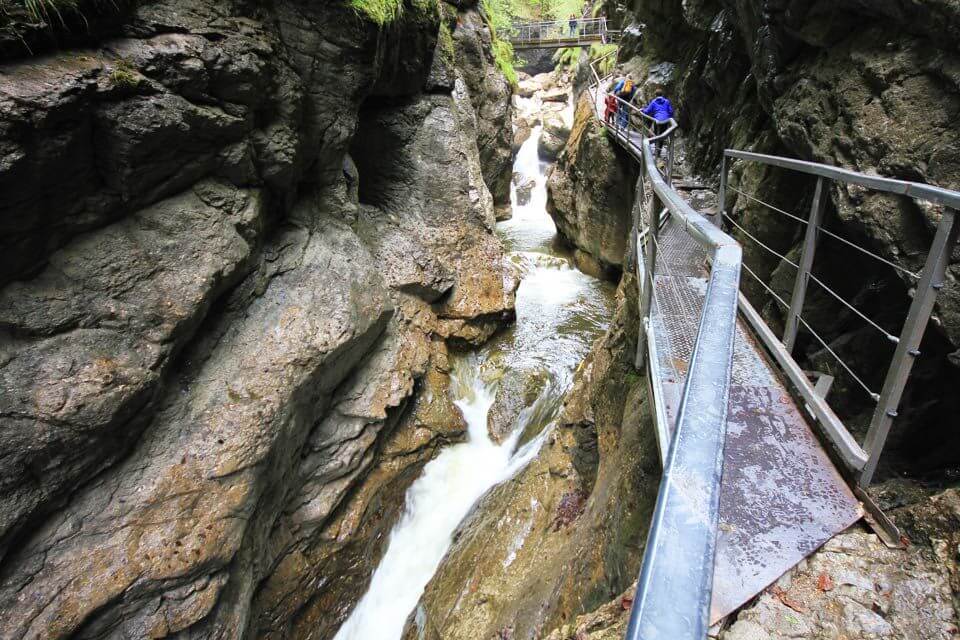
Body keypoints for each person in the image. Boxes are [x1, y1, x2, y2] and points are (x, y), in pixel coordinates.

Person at [641, 88, 674, 155]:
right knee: (662, 135)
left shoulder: (654, 102)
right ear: (662, 94)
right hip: (665, 120)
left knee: (657, 135)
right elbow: (671, 111)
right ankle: (659, 151)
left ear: (655, 95)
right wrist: (669, 118)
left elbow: (647, 111)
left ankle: (657, 150)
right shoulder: (666, 101)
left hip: (658, 120)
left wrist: (642, 110)